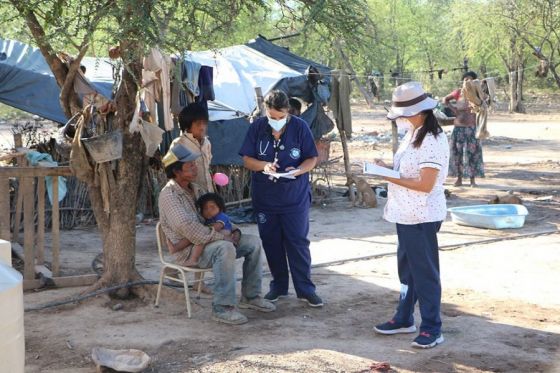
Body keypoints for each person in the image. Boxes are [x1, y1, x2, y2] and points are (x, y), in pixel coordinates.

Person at [158, 143, 275, 325]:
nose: (195, 167)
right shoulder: (169, 195)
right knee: (225, 247)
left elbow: (217, 215)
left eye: (194, 164)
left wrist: (234, 230)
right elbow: (188, 228)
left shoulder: (196, 189)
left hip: (206, 241)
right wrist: (223, 237)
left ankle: (251, 297)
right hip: (188, 252)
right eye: (190, 166)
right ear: (176, 171)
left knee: (253, 243)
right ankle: (223, 307)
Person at [373, 82, 449, 349]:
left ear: (417, 112)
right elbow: (407, 172)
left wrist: (387, 176)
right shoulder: (413, 133)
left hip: (422, 215)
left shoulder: (432, 140)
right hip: (405, 213)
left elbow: (425, 184)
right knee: (408, 270)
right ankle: (404, 317)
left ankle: (431, 327)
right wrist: (387, 169)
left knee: (425, 272)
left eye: (403, 114)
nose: (400, 120)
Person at [239, 90, 323, 307]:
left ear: (288, 112)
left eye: (280, 117)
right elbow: (248, 160)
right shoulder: (257, 127)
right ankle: (278, 286)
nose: (276, 122)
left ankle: (305, 289)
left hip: (294, 197)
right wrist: (264, 166)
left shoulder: (300, 127)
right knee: (271, 242)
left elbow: (312, 158)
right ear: (266, 111)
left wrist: (298, 171)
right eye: (272, 117)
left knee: (298, 242)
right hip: (266, 198)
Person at [173, 192, 239, 267]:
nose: (209, 211)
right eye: (205, 209)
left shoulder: (222, 216)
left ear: (220, 208)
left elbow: (217, 227)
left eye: (212, 207)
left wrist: (203, 232)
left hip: (224, 232)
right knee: (199, 239)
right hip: (217, 233)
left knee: (201, 240)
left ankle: (193, 259)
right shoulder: (208, 220)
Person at [444, 71, 485, 187]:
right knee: (458, 154)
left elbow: (486, 102)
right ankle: (459, 179)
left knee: (472, 154)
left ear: (474, 81)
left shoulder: (477, 93)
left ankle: (472, 180)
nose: (467, 81)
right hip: (459, 128)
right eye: (465, 79)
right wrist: (454, 110)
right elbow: (445, 100)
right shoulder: (458, 93)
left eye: (470, 79)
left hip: (472, 128)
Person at [171, 102, 215, 193]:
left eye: (204, 123)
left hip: (208, 193)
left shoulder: (207, 143)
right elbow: (173, 174)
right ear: (188, 126)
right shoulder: (179, 144)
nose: (202, 127)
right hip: (190, 196)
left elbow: (207, 167)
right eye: (198, 124)